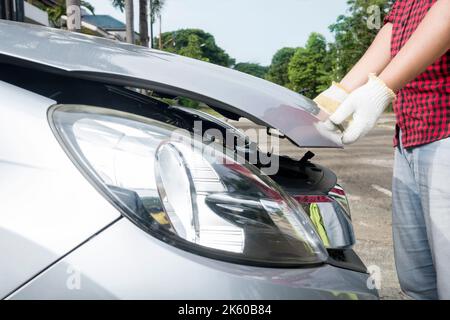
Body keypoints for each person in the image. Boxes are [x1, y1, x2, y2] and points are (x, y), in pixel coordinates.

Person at [314, 0, 450, 299]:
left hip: (446, 130)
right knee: (417, 283)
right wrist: (339, 94)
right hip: (411, 135)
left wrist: (379, 89)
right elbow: (393, 33)